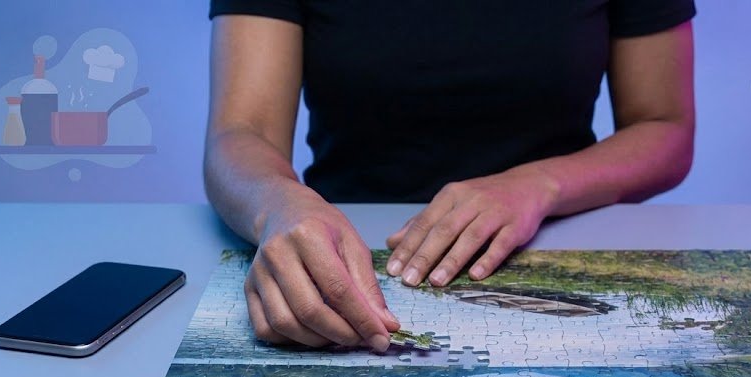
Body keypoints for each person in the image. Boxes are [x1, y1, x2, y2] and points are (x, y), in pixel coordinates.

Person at [204, 0, 697, 353]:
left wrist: (541, 184)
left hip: (560, 236)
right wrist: (281, 206)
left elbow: (666, 129)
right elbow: (241, 132)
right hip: (342, 250)